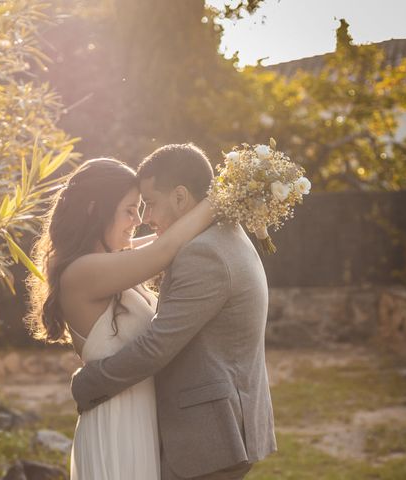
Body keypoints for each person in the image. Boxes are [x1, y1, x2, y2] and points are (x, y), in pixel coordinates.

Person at [70, 143, 277, 479]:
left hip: (207, 435)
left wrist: (88, 383)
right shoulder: (225, 235)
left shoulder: (204, 254)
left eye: (149, 204)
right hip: (224, 425)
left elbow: (157, 345)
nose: (145, 218)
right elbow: (143, 251)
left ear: (180, 198)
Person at [27, 156, 215, 480]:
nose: (138, 220)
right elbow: (164, 249)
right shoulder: (82, 272)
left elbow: (163, 240)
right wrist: (221, 199)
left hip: (138, 418)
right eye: (130, 210)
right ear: (94, 209)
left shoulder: (108, 260)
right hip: (116, 425)